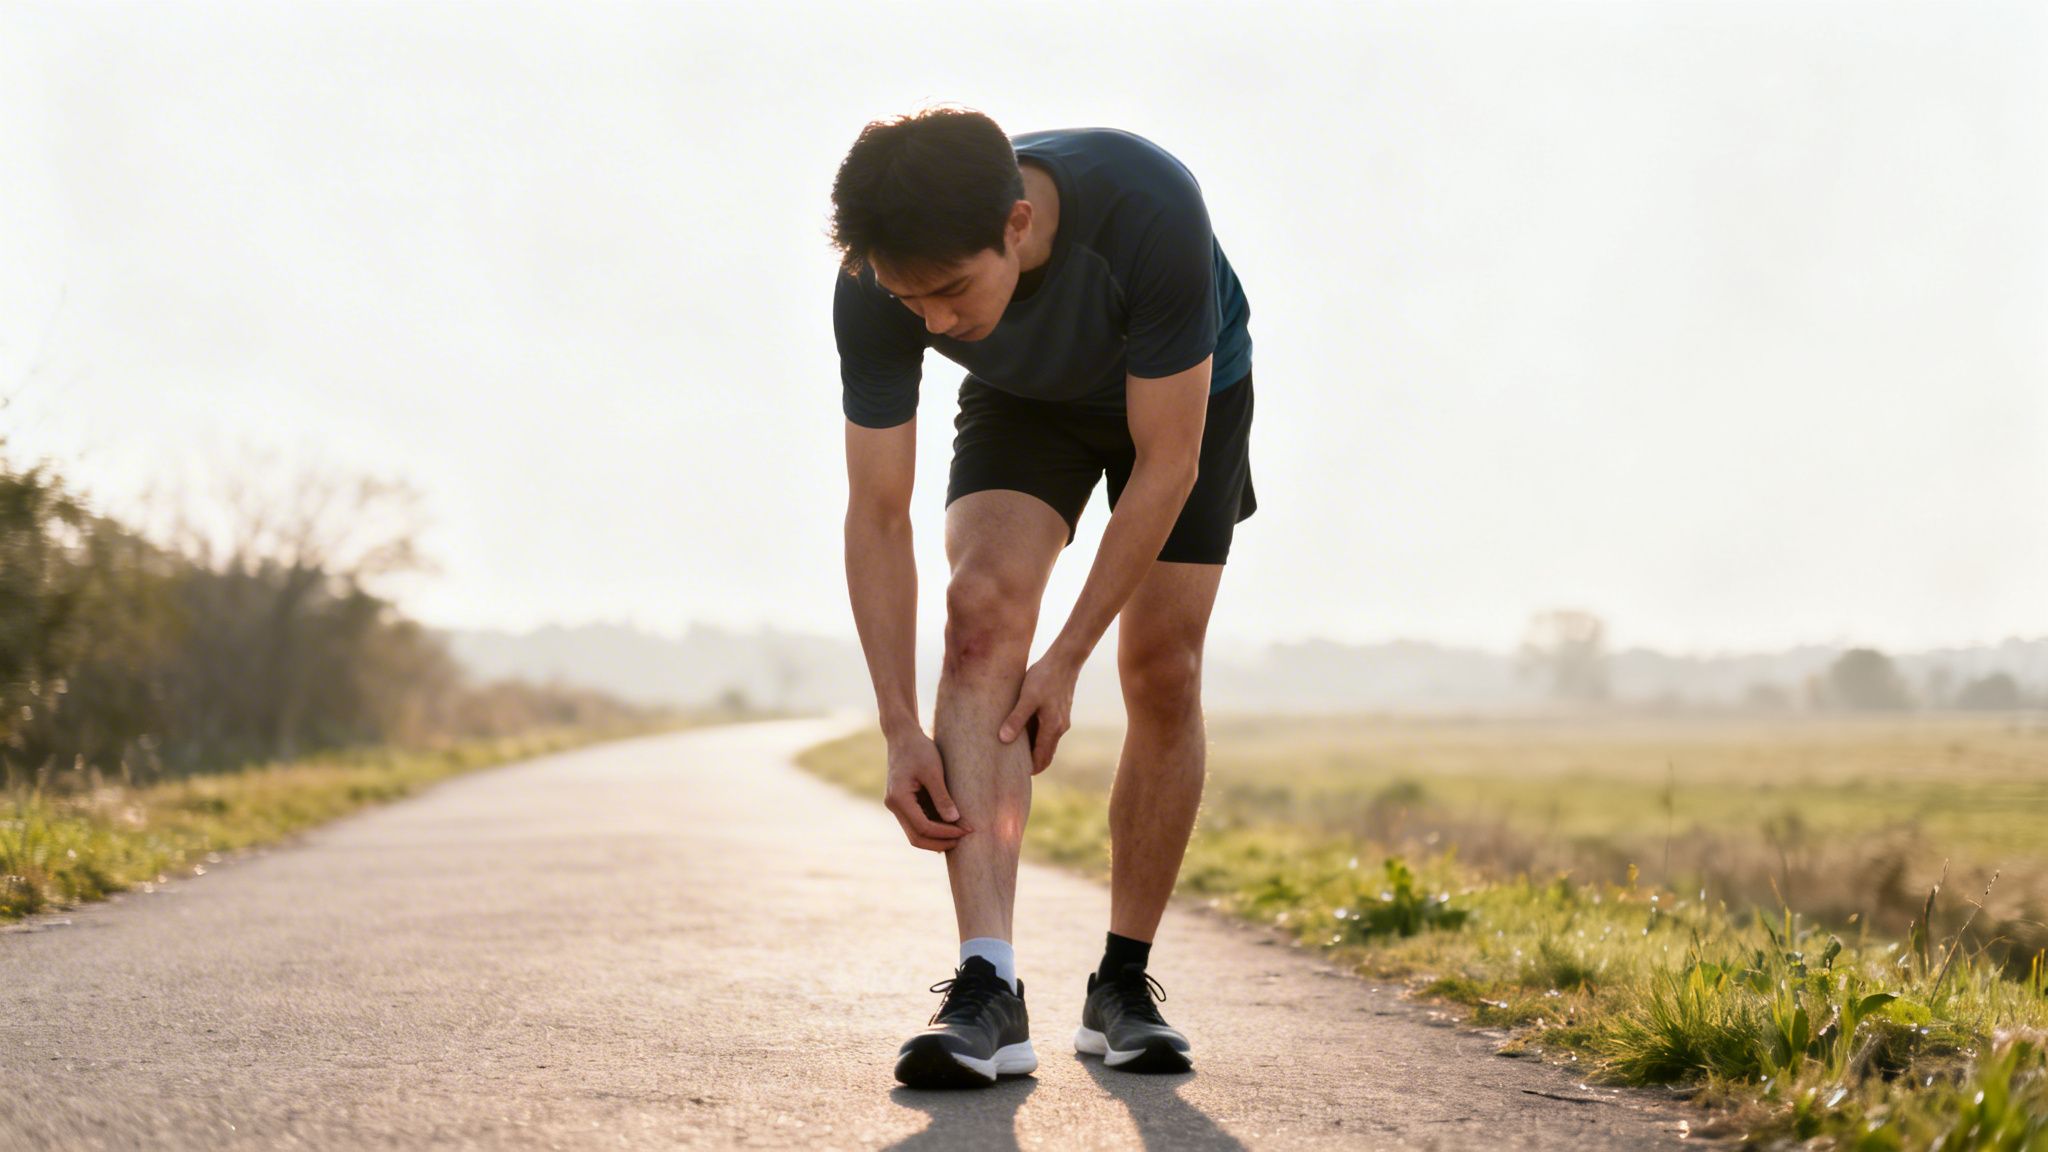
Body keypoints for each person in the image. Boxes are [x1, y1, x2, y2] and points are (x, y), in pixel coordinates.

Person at [829, 107, 1255, 1089]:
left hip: (1185, 402)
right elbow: (877, 514)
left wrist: (1064, 660)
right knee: (978, 610)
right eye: (910, 301)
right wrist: (897, 725)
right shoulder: (876, 286)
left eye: (949, 292)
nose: (932, 322)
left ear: (1015, 225)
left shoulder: (1147, 208)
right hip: (1023, 407)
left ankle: (1122, 981)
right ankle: (988, 987)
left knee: (1160, 666)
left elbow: (1165, 463)